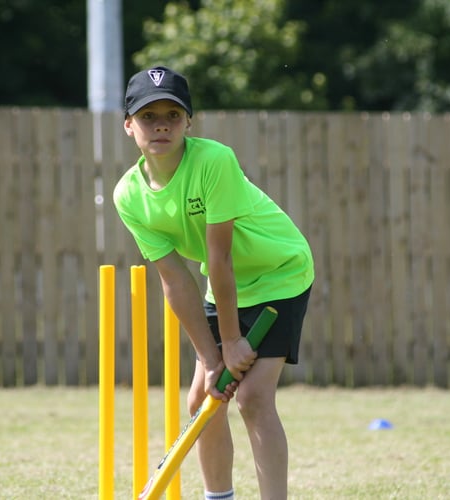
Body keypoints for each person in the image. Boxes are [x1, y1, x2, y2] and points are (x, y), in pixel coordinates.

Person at [114, 66, 314, 500]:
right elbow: (175, 280)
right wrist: (211, 357)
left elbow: (218, 257)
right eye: (148, 116)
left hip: (279, 271)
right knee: (203, 399)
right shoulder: (128, 195)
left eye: (172, 113)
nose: (161, 124)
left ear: (190, 121)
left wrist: (231, 341)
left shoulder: (213, 160)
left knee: (253, 399)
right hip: (223, 283)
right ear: (129, 125)